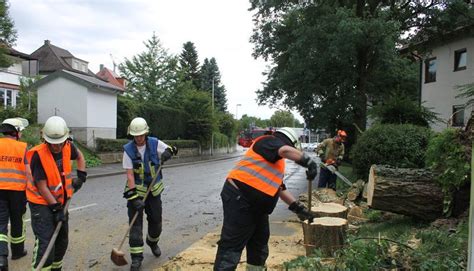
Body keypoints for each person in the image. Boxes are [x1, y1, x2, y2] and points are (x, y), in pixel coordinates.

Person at [213, 127, 318, 270]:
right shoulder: (269, 141)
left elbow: (279, 188)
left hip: (257, 207)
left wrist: (298, 208)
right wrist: (307, 161)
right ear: (288, 141)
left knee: (259, 245)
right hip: (240, 198)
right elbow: (285, 150)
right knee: (232, 245)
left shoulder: (275, 160)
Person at [26, 116, 87, 271]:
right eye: (53, 143)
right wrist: (55, 208)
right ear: (45, 139)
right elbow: (42, 187)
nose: (57, 147)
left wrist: (81, 175)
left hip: (60, 202)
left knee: (62, 241)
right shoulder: (38, 155)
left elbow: (80, 156)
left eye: (60, 142)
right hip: (41, 203)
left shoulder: (68, 146)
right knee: (46, 243)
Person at [122, 117, 177, 271]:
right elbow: (130, 175)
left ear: (145, 133)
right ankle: (136, 259)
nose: (138, 138)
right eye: (135, 136)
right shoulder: (128, 150)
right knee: (135, 227)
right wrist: (134, 199)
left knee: (156, 223)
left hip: (154, 192)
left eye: (141, 135)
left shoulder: (154, 143)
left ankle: (152, 242)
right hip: (136, 194)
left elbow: (172, 149)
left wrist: (168, 153)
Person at [0, 118, 30, 271]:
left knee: (0, 223)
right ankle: (17, 252)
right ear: (16, 132)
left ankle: (1, 259)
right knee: (18, 222)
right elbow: (28, 171)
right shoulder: (22, 147)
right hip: (18, 191)